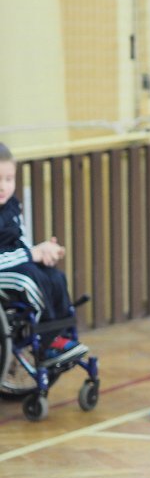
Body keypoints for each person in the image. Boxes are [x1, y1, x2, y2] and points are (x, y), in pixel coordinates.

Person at [0, 142, 88, 365]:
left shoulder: (12, 205)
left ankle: (64, 337)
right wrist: (32, 254)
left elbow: (20, 241)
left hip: (14, 262)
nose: (3, 187)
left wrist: (44, 252)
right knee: (28, 280)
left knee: (54, 275)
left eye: (9, 179)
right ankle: (48, 342)